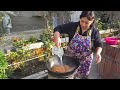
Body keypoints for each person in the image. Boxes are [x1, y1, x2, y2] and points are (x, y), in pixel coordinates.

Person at [53, 11, 102, 79]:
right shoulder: (73, 26)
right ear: (80, 19)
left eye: (87, 22)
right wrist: (57, 37)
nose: (83, 24)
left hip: (85, 62)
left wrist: (98, 53)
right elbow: (58, 28)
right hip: (70, 60)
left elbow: (99, 44)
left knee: (83, 77)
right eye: (82, 21)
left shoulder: (94, 31)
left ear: (92, 21)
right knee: (68, 76)